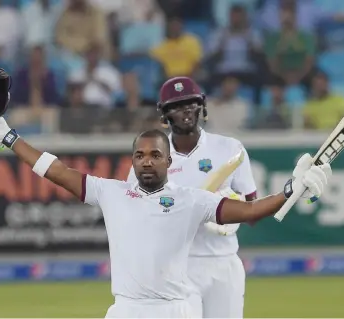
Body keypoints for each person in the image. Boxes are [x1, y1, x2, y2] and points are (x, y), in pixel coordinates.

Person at [0, 66, 332, 318]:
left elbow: (253, 211)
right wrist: (9, 138)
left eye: (155, 155)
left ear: (168, 161)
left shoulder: (192, 200)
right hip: (125, 307)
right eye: (139, 155)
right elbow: (57, 171)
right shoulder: (113, 193)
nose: (146, 161)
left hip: (176, 307)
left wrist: (292, 189)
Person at [124, 77, 321, 318]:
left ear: (202, 106)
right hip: (175, 268)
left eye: (191, 103)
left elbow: (252, 213)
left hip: (224, 264)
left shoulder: (230, 149)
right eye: (176, 106)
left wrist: (230, 212)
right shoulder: (150, 156)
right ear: (164, 115)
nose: (185, 111)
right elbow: (132, 217)